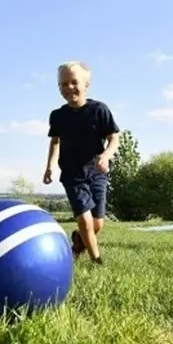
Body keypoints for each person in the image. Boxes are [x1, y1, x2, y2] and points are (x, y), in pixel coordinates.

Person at [43, 61, 120, 264]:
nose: (68, 88)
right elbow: (55, 141)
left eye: (74, 82)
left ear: (86, 84)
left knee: (97, 224)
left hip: (96, 172)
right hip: (72, 173)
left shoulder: (99, 110)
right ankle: (97, 261)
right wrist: (49, 166)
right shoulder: (58, 116)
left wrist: (105, 156)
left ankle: (78, 243)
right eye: (63, 84)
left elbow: (114, 138)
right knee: (85, 220)